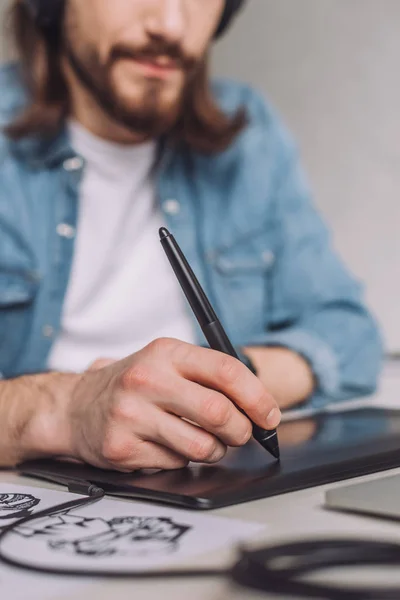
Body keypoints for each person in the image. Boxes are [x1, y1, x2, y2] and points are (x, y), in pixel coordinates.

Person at [0, 0, 382, 472]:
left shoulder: (250, 132)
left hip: (213, 488)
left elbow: (352, 337)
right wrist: (67, 409)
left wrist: (232, 382)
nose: (171, 24)